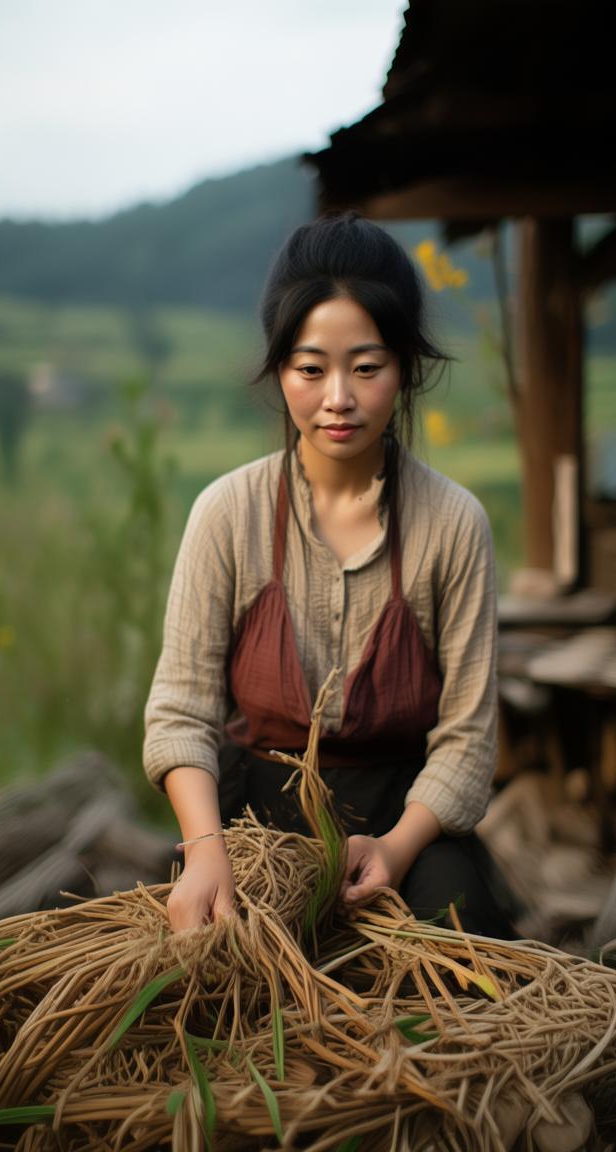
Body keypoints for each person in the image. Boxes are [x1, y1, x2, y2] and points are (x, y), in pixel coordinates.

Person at [144, 213, 513, 939]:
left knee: (467, 941)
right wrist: (206, 848)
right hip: (249, 821)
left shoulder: (454, 524)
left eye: (367, 368)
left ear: (405, 367)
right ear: (280, 369)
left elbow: (469, 737)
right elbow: (180, 712)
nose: (338, 397)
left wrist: (399, 847)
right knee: (207, 970)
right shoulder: (227, 513)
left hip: (405, 820)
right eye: (311, 369)